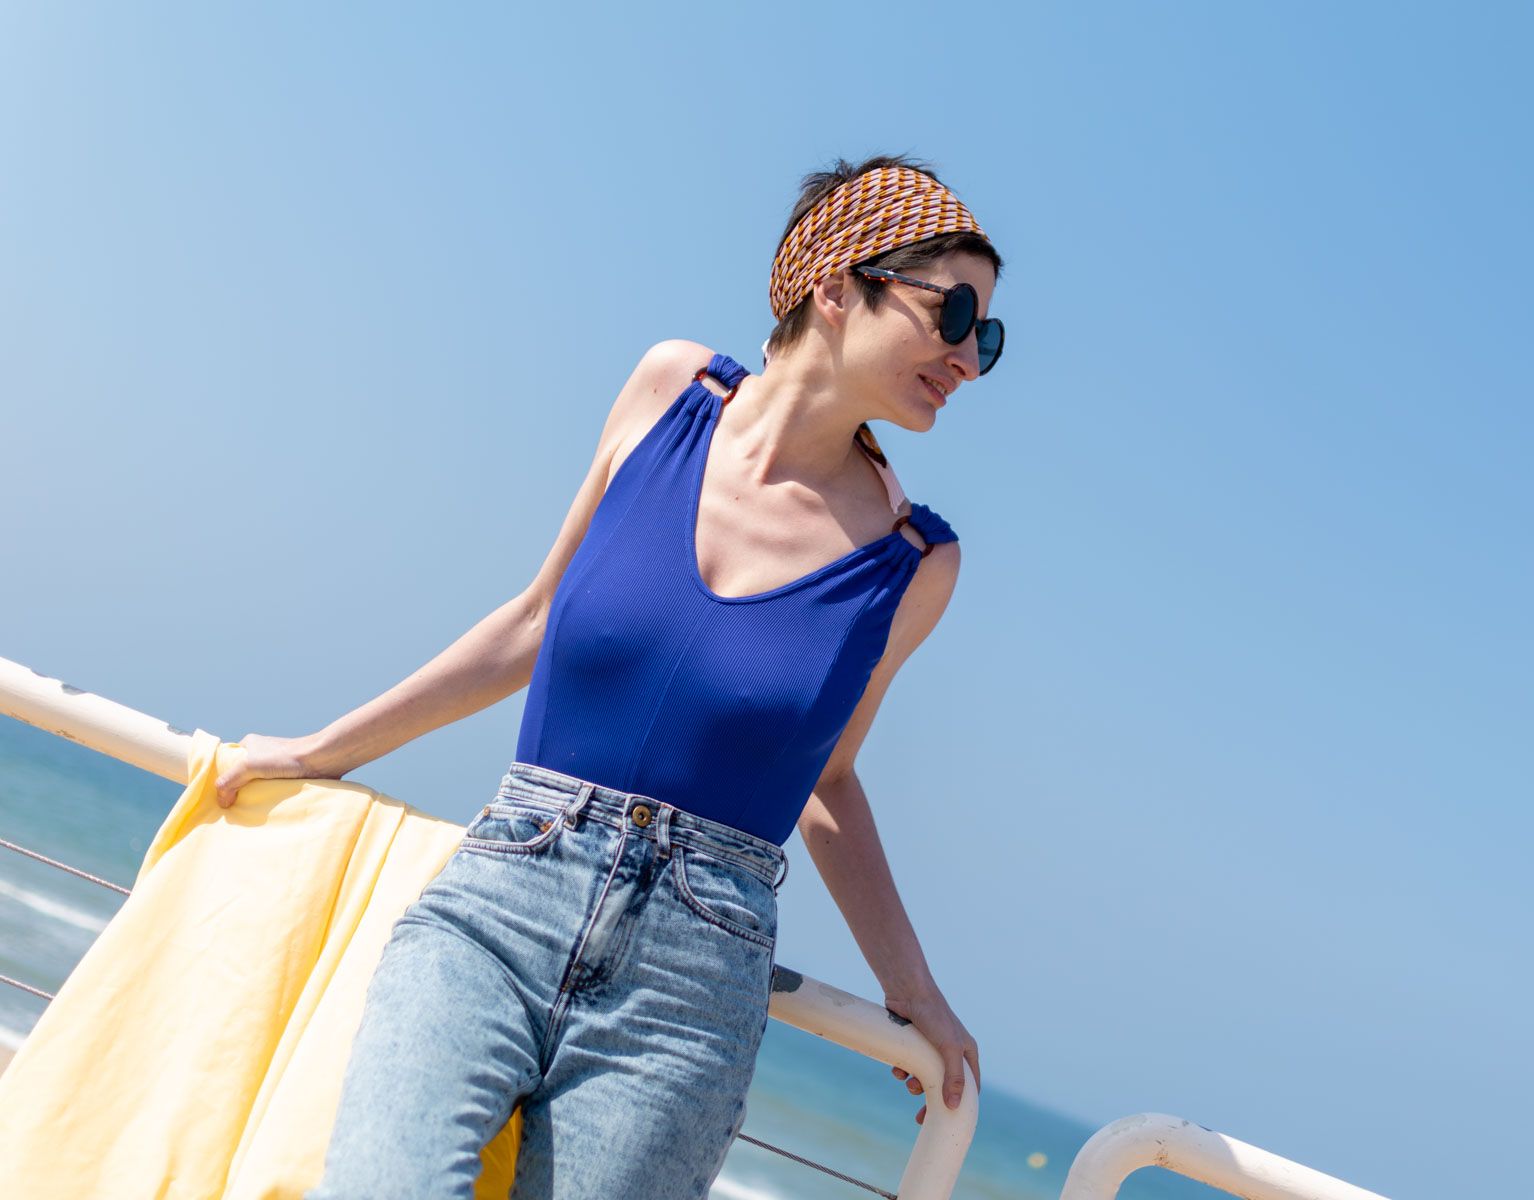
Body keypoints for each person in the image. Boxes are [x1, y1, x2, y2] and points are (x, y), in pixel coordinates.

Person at [215, 153, 1006, 1198]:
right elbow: (532, 623)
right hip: (501, 902)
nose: (970, 358)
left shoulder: (913, 564)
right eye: (954, 314)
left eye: (987, 337)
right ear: (836, 282)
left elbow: (831, 777)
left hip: (689, 989)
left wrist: (917, 994)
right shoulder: (669, 389)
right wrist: (319, 751)